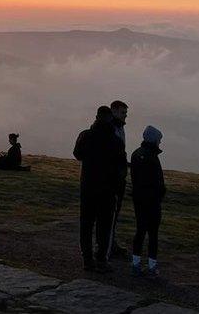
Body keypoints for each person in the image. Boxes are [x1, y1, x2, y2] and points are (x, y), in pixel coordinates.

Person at [73, 105, 128, 273]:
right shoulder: (116, 141)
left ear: (96, 117)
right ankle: (102, 259)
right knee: (104, 225)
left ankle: (87, 260)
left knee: (86, 224)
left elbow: (77, 154)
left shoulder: (85, 135)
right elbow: (121, 166)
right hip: (108, 189)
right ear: (110, 118)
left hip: (88, 186)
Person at [130, 125, 165, 277]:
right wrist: (159, 196)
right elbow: (158, 182)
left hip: (138, 199)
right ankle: (151, 267)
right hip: (152, 202)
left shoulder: (136, 154)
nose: (160, 143)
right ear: (155, 140)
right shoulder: (153, 158)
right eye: (159, 140)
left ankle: (135, 263)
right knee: (153, 234)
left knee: (140, 231)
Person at [109, 100, 129, 258]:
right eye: (123, 113)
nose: (125, 116)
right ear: (114, 111)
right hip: (112, 178)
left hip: (118, 176)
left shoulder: (120, 128)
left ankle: (110, 243)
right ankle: (107, 246)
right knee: (109, 212)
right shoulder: (111, 129)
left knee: (114, 212)